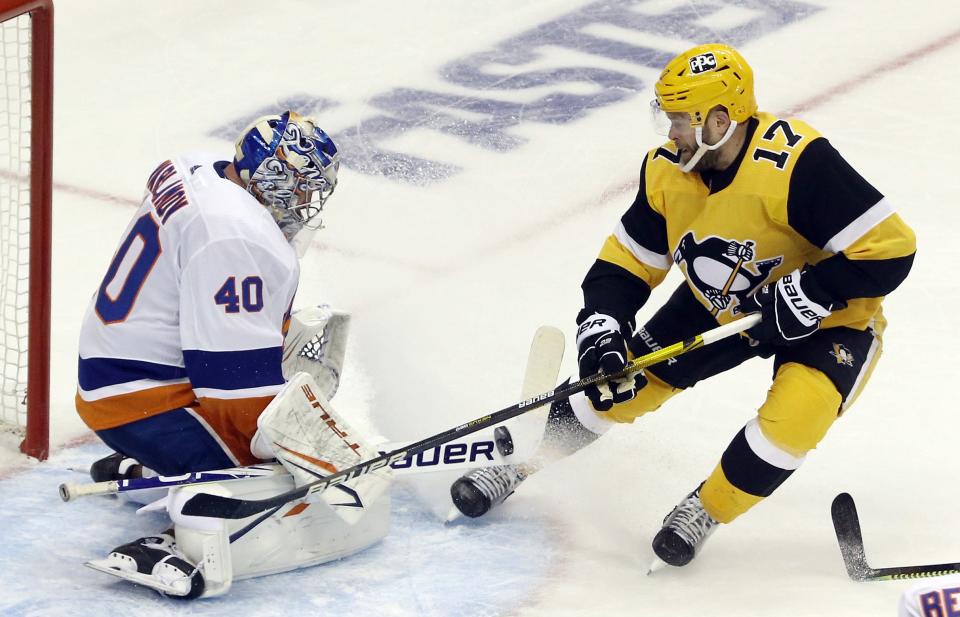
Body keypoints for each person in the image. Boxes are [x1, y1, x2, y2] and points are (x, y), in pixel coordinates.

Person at [450, 43, 916, 569]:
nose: (671, 134)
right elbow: (627, 262)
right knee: (615, 383)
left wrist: (812, 290)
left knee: (794, 423)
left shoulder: (796, 165)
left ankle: (707, 509)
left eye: (680, 121)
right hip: (717, 306)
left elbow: (892, 249)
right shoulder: (667, 172)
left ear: (720, 120)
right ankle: (521, 463)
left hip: (833, 323)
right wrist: (603, 322)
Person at [75, 111, 391, 598]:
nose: (307, 203)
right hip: (143, 400)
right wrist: (307, 451)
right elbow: (233, 392)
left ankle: (153, 469)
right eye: (301, 187)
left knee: (281, 426)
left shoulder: (200, 167)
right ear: (271, 179)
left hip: (118, 370)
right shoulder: (237, 236)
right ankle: (175, 534)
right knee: (286, 478)